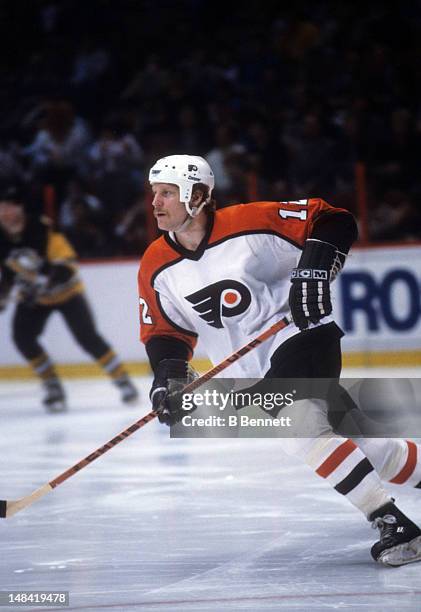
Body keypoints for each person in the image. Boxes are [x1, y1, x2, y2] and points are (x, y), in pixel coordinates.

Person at [137, 154, 421, 567]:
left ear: (196, 196)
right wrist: (168, 377)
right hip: (250, 374)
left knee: (298, 425)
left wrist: (313, 272)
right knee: (365, 445)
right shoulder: (155, 265)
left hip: (302, 336)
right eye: (154, 193)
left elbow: (334, 220)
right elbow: (165, 332)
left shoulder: (251, 222)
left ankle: (392, 522)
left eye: (167, 193)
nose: (156, 202)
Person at [0, 182, 139, 412]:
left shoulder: (42, 230)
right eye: (1, 207)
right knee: (22, 337)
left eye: (9, 206)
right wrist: (4, 294)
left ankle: (122, 379)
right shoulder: (2, 238)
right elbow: (9, 270)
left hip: (66, 293)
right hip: (35, 297)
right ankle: (52, 385)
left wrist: (47, 277)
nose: (5, 212)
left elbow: (67, 266)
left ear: (20, 208)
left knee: (87, 337)